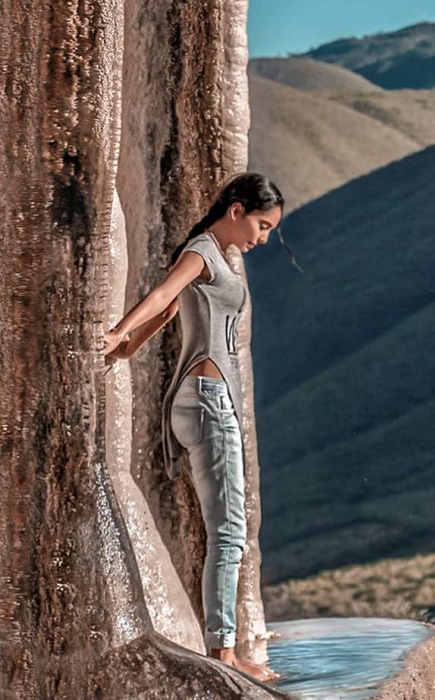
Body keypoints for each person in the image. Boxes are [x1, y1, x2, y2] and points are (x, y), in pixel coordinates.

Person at [104, 171, 299, 685]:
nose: (261, 239)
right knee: (229, 533)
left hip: (207, 401)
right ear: (236, 210)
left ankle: (226, 650)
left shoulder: (211, 256)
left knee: (227, 531)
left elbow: (169, 310)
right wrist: (117, 332)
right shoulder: (205, 252)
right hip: (210, 403)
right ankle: (224, 656)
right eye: (260, 225)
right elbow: (163, 291)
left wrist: (130, 347)